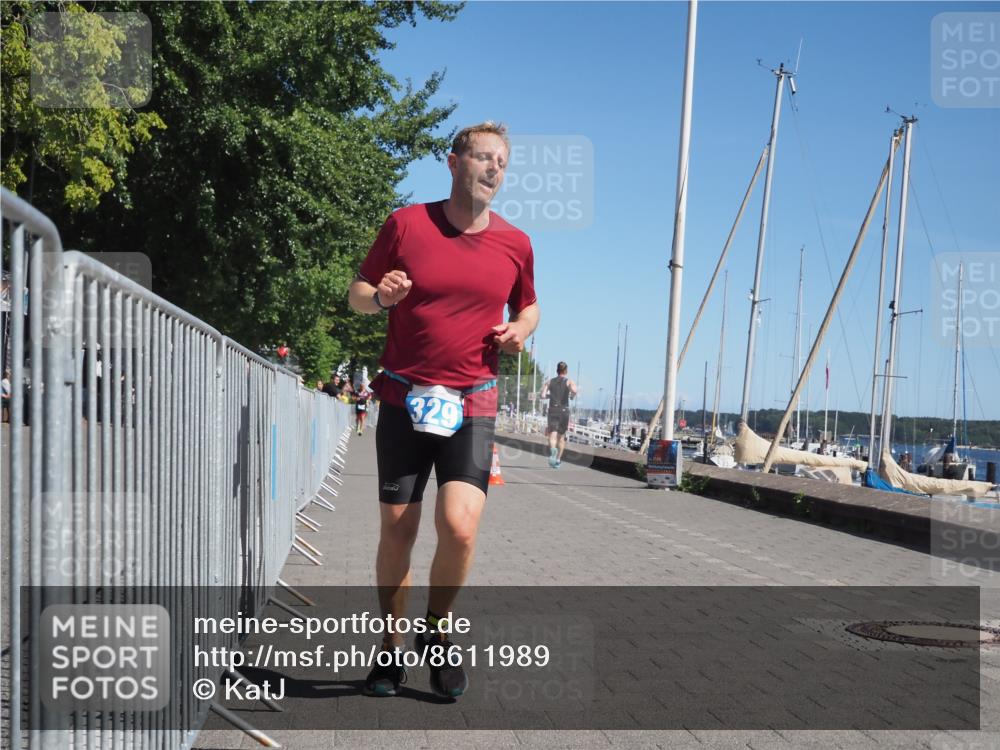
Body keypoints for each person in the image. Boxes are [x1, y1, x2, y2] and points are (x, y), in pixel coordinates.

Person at [348, 121, 538, 699]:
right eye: (483, 157)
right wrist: (382, 295)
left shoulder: (515, 243)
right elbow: (356, 295)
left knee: (458, 524)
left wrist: (519, 332)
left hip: (474, 400)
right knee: (398, 529)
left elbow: (529, 309)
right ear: (453, 162)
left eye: (502, 162)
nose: (493, 169)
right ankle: (390, 649)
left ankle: (437, 633)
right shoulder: (406, 224)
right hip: (404, 397)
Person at [540, 362, 577, 467]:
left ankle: (553, 449)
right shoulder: (568, 381)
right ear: (566, 371)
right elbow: (575, 390)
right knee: (561, 438)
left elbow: (542, 396)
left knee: (552, 435)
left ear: (557, 370)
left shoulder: (549, 381)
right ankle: (558, 460)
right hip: (564, 411)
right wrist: (572, 395)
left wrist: (549, 396)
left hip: (553, 410)